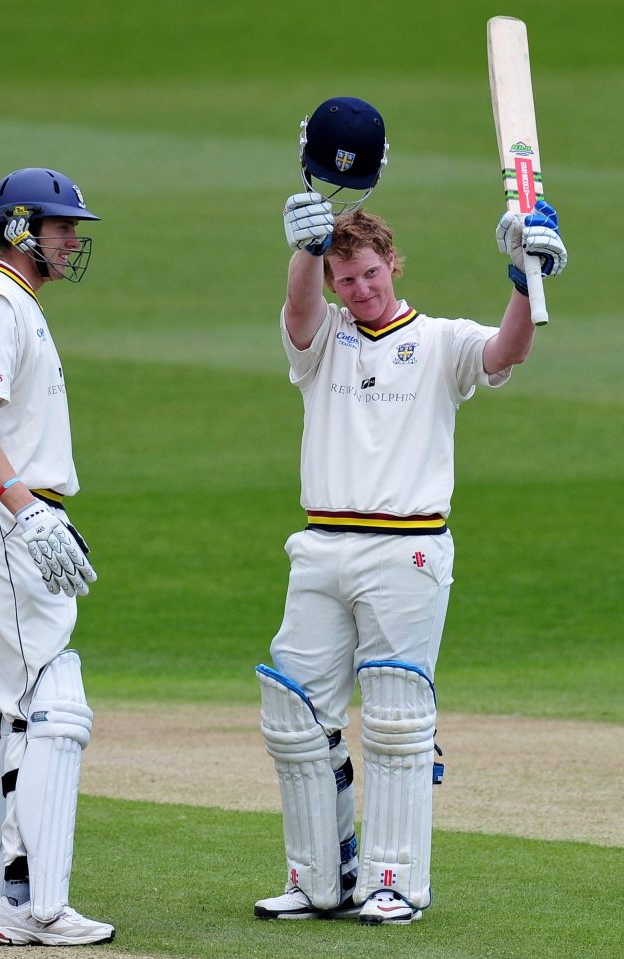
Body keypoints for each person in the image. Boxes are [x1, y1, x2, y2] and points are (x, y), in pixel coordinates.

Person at [254, 100, 567, 925]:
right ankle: (317, 878)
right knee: (294, 713)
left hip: (409, 551)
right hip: (322, 546)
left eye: (369, 274)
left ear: (394, 262)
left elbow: (507, 351)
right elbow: (295, 314)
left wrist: (522, 276)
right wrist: (304, 248)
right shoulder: (321, 338)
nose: (357, 290)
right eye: (343, 279)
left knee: (395, 717)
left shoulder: (438, 342)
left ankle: (394, 883)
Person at [0, 168, 115, 946]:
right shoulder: (0, 304)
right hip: (5, 515)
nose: (72, 238)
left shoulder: (2, 303)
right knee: (49, 695)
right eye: (59, 225)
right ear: (18, 228)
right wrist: (28, 510)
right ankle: (31, 901)